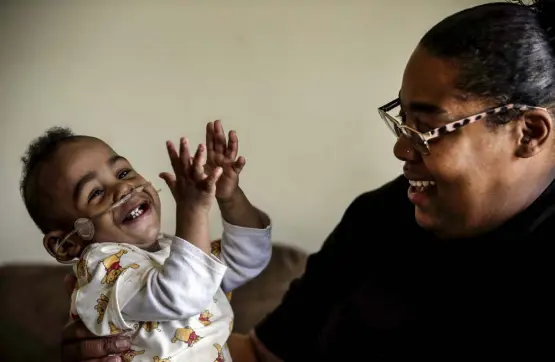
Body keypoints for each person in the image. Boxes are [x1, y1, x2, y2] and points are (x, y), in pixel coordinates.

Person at [61, 0, 555, 360]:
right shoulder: (381, 216)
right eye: (400, 121)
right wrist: (120, 352)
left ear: (528, 133)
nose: (402, 149)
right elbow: (262, 354)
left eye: (427, 128)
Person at [20, 121, 272, 361]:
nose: (124, 188)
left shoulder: (170, 252)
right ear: (66, 244)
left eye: (123, 172)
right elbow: (183, 292)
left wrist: (230, 196)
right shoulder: (104, 272)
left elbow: (246, 260)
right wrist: (192, 211)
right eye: (95, 193)